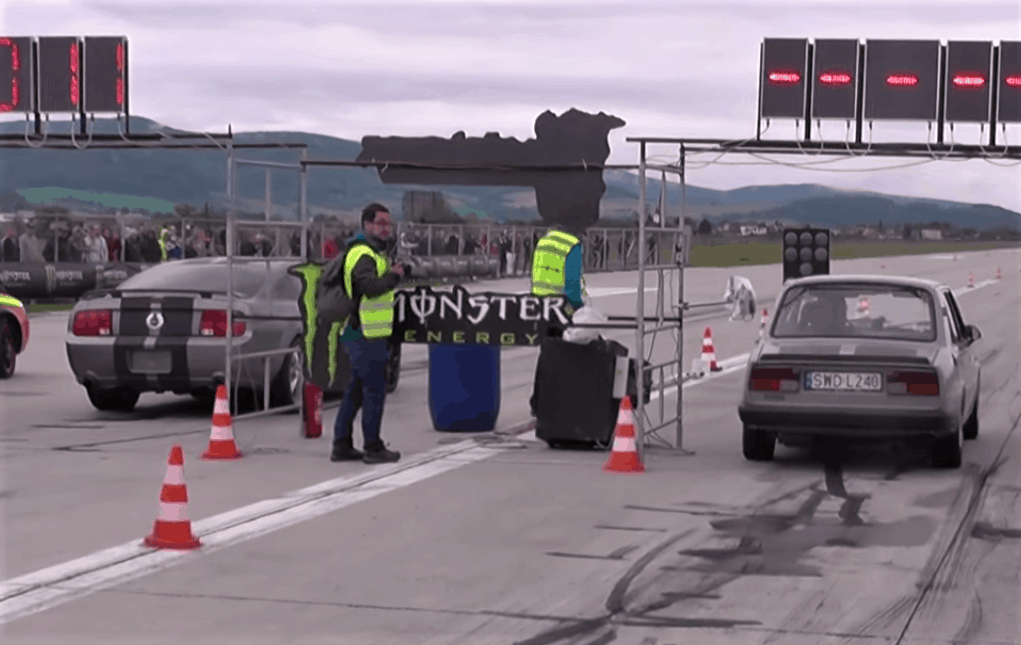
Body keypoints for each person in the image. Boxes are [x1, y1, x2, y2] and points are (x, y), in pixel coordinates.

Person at [330, 203, 405, 464]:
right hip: (365, 333)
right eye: (382, 224)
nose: (387, 229)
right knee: (374, 390)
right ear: (367, 225)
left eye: (389, 224)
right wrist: (393, 277)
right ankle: (373, 446)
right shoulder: (362, 254)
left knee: (356, 390)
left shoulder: (372, 253)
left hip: (364, 332)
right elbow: (368, 287)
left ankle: (342, 443)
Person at [529, 225, 587, 417]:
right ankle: (563, 404)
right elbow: (572, 287)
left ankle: (538, 403)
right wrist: (580, 310)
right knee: (567, 357)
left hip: (540, 307)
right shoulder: (572, 246)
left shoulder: (544, 241)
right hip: (561, 309)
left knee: (546, 355)